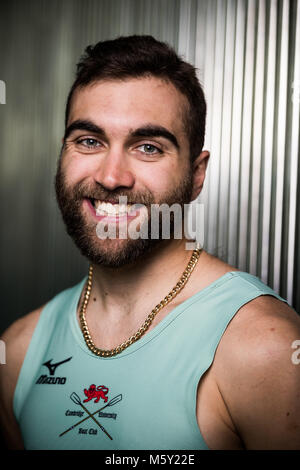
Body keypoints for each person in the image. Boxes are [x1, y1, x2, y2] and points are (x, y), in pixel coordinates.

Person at [1, 35, 300, 451]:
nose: (111, 177)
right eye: (89, 141)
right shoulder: (18, 351)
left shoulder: (266, 350)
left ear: (197, 175)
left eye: (147, 147)